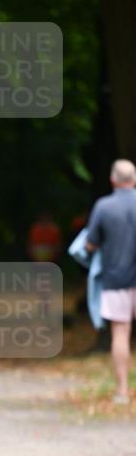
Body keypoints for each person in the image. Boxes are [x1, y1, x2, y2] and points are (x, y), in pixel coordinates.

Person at [85, 159, 136, 404]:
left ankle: (123, 391)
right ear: (134, 180)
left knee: (121, 332)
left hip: (116, 279)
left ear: (113, 180)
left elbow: (90, 243)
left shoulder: (104, 206)